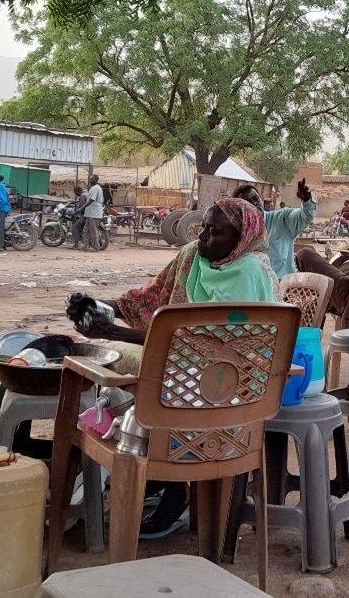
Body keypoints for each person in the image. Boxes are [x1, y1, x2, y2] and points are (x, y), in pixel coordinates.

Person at [65, 198, 278, 538]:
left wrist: (116, 333)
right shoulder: (195, 256)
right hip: (186, 369)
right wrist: (97, 306)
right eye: (204, 227)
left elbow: (207, 346)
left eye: (216, 232)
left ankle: (175, 486)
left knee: (138, 374)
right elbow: (148, 299)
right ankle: (158, 475)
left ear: (240, 239)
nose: (205, 237)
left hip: (231, 385)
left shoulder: (250, 274)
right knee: (120, 367)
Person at [233, 179, 317, 279]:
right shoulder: (236, 232)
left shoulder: (282, 218)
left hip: (282, 284)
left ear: (261, 198)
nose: (254, 204)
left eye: (255, 198)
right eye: (247, 202)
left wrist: (307, 200)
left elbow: (305, 216)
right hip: (253, 285)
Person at [83, 175, 105, 252]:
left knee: (93, 231)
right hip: (90, 212)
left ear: (96, 180)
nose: (90, 180)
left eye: (91, 179)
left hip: (94, 213)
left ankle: (95, 247)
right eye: (90, 179)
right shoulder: (93, 188)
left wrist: (81, 208)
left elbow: (91, 200)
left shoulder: (96, 188)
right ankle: (86, 246)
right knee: (86, 230)